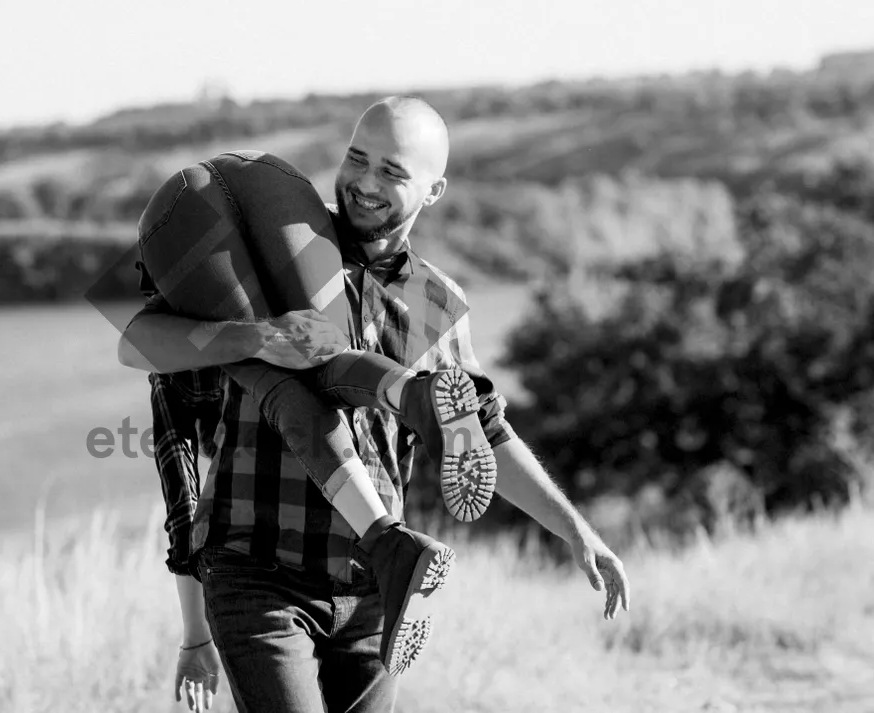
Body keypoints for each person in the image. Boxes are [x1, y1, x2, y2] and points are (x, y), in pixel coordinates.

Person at [119, 97, 631, 713]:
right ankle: (401, 402)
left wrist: (576, 533)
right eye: (357, 159)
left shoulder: (438, 302)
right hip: (256, 574)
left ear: (434, 189)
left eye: (392, 171)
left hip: (377, 588)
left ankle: (399, 495)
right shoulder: (269, 241)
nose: (364, 183)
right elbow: (142, 346)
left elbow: (487, 433)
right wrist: (257, 336)